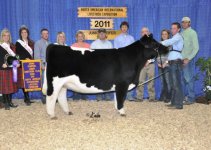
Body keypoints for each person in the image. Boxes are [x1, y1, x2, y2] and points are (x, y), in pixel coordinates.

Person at [161, 22, 184, 109]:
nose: (172, 30)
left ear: (178, 29)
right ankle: (174, 102)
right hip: (172, 62)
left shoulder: (178, 37)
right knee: (172, 83)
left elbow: (169, 42)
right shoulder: (174, 37)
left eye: (174, 28)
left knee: (176, 83)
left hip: (175, 62)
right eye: (171, 28)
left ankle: (179, 104)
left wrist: (158, 43)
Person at [114, 21, 135, 101]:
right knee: (120, 79)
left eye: (125, 27)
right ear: (120, 28)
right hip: (121, 61)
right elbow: (116, 50)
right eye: (122, 27)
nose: (124, 28)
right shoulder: (117, 38)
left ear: (127, 28)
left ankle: (129, 95)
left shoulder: (131, 38)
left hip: (130, 61)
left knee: (129, 78)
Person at [181, 17, 199, 105]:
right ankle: (184, 97)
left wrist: (188, 58)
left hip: (187, 60)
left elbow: (196, 48)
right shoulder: (181, 33)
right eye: (182, 22)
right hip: (180, 60)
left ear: (189, 23)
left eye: (186, 22)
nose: (184, 24)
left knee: (189, 79)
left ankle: (191, 98)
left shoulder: (193, 33)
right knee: (182, 80)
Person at [91, 28, 113, 101]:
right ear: (98, 34)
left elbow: (112, 55)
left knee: (108, 80)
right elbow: (91, 56)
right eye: (100, 33)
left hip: (107, 66)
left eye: (103, 33)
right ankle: (99, 97)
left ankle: (107, 96)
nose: (102, 34)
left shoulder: (109, 44)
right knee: (98, 81)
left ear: (105, 34)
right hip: (97, 65)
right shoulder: (94, 44)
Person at [0, 28, 19, 110]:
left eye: (8, 35)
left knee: (11, 86)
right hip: (3, 69)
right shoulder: (0, 46)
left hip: (12, 68)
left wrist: (18, 62)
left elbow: (17, 56)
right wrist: (1, 64)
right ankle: (6, 102)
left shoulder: (12, 46)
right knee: (5, 86)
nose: (6, 37)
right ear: (2, 36)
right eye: (5, 35)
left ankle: (10, 101)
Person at [136, 27, 156, 102]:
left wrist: (149, 61)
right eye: (143, 32)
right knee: (140, 81)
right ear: (141, 34)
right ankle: (139, 97)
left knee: (151, 81)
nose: (144, 33)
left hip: (151, 64)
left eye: (146, 31)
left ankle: (152, 97)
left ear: (148, 33)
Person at [16, 25, 34, 106]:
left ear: (27, 33)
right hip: (22, 64)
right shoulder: (18, 42)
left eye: (25, 32)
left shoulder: (31, 42)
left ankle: (27, 97)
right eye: (22, 32)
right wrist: (24, 59)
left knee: (29, 81)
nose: (24, 33)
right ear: (20, 34)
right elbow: (17, 54)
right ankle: (26, 98)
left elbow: (33, 53)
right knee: (24, 82)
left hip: (30, 64)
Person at [71, 31, 90, 100]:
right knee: (76, 83)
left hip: (85, 67)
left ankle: (84, 98)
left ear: (83, 37)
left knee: (84, 83)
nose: (80, 38)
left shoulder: (88, 46)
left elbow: (90, 57)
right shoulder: (73, 46)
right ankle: (76, 98)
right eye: (79, 36)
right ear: (76, 37)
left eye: (81, 36)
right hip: (76, 68)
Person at [34, 28, 51, 104]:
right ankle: (44, 98)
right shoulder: (38, 43)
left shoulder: (50, 43)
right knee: (44, 82)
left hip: (50, 65)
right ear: (41, 35)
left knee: (50, 82)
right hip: (43, 65)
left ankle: (50, 97)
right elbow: (37, 56)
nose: (46, 35)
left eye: (47, 33)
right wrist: (41, 65)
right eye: (44, 33)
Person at [157, 29, 171, 102]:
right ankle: (163, 96)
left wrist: (166, 63)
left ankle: (169, 97)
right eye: (162, 34)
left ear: (168, 35)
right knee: (162, 82)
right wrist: (158, 63)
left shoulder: (170, 44)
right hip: (160, 66)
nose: (164, 35)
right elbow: (157, 55)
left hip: (167, 65)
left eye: (165, 34)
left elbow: (171, 55)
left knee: (168, 81)